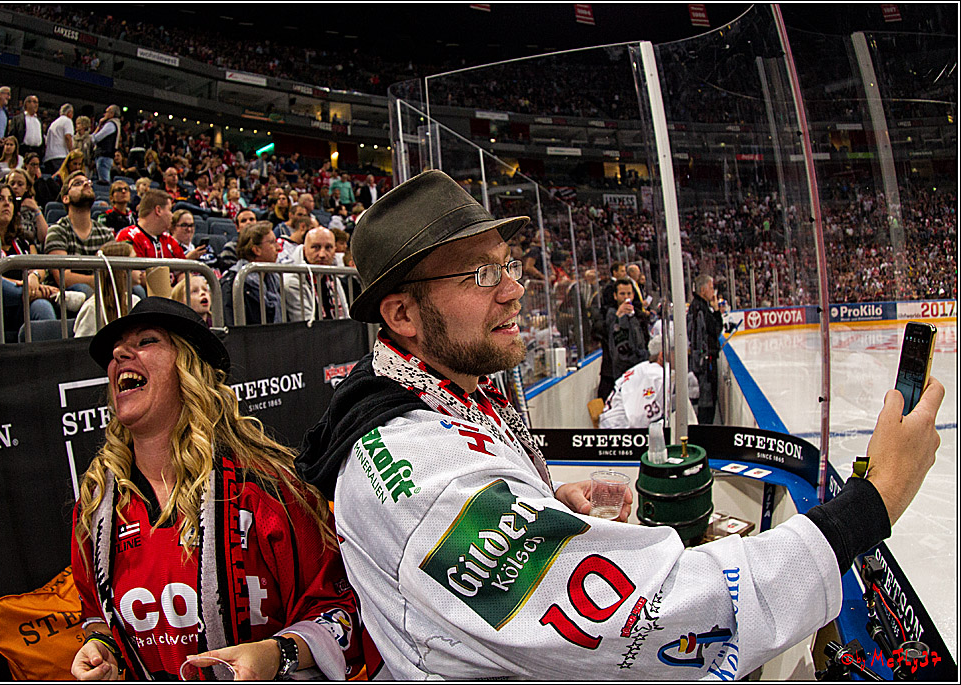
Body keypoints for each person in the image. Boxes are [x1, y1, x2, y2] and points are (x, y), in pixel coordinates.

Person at [294, 169, 945, 679]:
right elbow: (650, 613)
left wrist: (540, 504)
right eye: (481, 272)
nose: (515, 288)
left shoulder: (423, 390)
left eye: (508, 264)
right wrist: (875, 498)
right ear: (403, 314)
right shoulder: (426, 482)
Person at [71, 297, 362, 680]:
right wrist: (102, 647)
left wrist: (277, 654)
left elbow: (340, 612)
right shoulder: (98, 506)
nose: (120, 353)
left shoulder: (266, 487)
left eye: (147, 341)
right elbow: (97, 613)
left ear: (190, 368)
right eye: (118, 350)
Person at [0, 184, 58, 334]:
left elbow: (39, 266)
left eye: (10, 200)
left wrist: (34, 276)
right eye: (0, 199)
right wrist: (28, 287)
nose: (7, 203)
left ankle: (49, 356)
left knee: (41, 305)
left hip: (21, 309)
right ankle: (34, 294)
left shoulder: (23, 240)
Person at [43, 170, 115, 298]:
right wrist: (99, 281)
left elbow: (115, 272)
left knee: (135, 290)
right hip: (66, 298)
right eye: (78, 183)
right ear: (66, 198)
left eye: (88, 182)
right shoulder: (57, 231)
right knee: (82, 289)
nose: (86, 185)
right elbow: (63, 278)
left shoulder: (105, 234)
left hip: (101, 291)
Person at [598, 334, 686, 429]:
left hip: (614, 424)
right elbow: (637, 420)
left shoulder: (645, 367)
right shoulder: (656, 375)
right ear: (662, 356)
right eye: (674, 353)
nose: (678, 357)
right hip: (617, 429)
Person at [220, 221, 282, 327]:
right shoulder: (233, 283)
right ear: (256, 250)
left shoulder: (275, 279)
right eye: (272, 242)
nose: (278, 248)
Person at [281, 227, 349, 322]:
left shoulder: (334, 279)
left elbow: (346, 318)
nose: (322, 254)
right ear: (304, 250)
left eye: (328, 247)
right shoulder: (293, 281)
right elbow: (305, 325)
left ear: (335, 251)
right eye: (315, 247)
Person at [73, 240, 140, 337]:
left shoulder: (135, 301)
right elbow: (81, 348)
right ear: (120, 271)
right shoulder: (93, 308)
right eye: (134, 261)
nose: (140, 267)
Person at [687, 273, 723, 424]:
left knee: (707, 401)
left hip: (703, 361)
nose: (713, 291)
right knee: (707, 403)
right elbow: (714, 330)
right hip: (704, 364)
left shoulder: (699, 307)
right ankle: (704, 433)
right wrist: (717, 311)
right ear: (702, 290)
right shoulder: (700, 309)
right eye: (711, 288)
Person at [605, 277, 649, 380]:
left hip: (640, 367)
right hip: (619, 371)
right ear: (615, 296)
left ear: (633, 295)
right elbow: (605, 334)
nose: (626, 297)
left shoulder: (639, 316)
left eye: (629, 294)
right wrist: (617, 317)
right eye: (622, 294)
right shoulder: (609, 314)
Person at [5, 168, 50, 246]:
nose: (15, 187)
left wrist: (36, 209)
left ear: (27, 188)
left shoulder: (32, 209)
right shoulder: (2, 206)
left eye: (20, 184)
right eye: (12, 184)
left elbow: (44, 238)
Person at [6, 94, 44, 160]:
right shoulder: (17, 119)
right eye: (34, 102)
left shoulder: (39, 121)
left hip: (36, 152)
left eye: (37, 103)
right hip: (22, 150)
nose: (36, 105)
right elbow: (12, 136)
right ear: (27, 103)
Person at [90, 104, 121, 183]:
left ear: (112, 114)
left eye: (106, 112)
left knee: (104, 182)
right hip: (105, 155)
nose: (104, 114)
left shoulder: (110, 124)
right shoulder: (116, 123)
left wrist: (98, 128)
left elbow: (96, 138)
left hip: (104, 155)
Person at [43, 103, 74, 174]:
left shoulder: (54, 123)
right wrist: (71, 152)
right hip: (60, 156)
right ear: (70, 113)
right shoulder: (67, 121)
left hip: (49, 157)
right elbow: (68, 137)